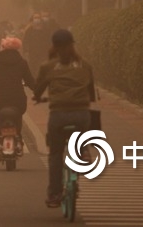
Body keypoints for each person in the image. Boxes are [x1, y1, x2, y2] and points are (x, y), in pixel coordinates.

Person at [32, 28, 96, 209]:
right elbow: (92, 93)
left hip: (58, 115)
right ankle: (83, 151)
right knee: (86, 123)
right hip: (81, 114)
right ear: (73, 45)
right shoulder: (85, 65)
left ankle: (54, 194)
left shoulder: (48, 66)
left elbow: (38, 89)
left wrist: (38, 97)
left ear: (53, 46)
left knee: (55, 154)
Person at [0, 35, 35, 136]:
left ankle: (1, 137)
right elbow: (30, 81)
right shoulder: (22, 62)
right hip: (18, 99)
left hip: (0, 99)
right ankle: (18, 137)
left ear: (2, 47)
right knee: (18, 115)